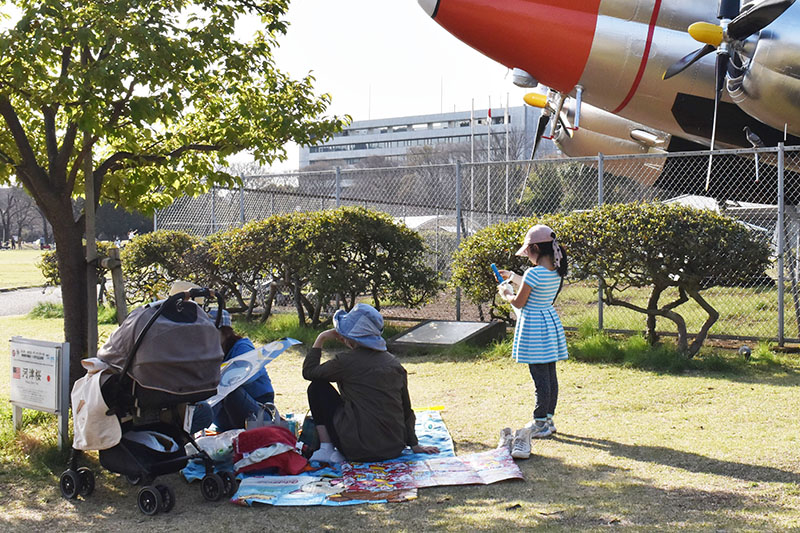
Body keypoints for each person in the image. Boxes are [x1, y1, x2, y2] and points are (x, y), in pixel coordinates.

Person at [302, 303, 439, 464]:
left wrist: (321, 338)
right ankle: (329, 446)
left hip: (357, 448)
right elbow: (405, 407)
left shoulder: (345, 362)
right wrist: (414, 444)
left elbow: (309, 372)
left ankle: (326, 448)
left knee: (317, 387)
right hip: (393, 446)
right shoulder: (393, 362)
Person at [497, 224, 568, 459]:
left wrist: (505, 292)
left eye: (528, 251)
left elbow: (518, 302)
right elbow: (534, 287)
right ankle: (548, 419)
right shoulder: (555, 271)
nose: (526, 255)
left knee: (539, 377)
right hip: (548, 325)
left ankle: (539, 422)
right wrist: (514, 277)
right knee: (549, 373)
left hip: (534, 329)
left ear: (536, 248)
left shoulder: (533, 274)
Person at [206, 308, 275, 432]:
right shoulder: (206, 353)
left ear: (226, 332)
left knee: (227, 388)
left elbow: (247, 376)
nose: (205, 337)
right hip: (224, 421)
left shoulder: (242, 347)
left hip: (258, 416)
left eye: (210, 332)